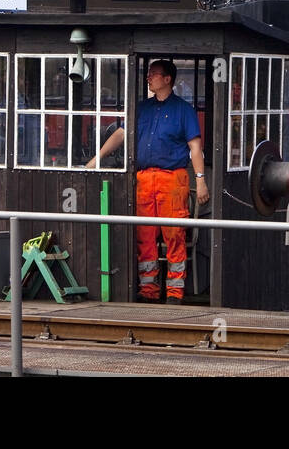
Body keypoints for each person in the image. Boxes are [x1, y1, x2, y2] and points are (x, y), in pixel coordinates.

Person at [88, 59, 208, 302]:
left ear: (167, 80)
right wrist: (97, 159)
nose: (148, 77)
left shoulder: (183, 110)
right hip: (143, 180)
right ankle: (149, 290)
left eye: (153, 74)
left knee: (174, 233)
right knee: (145, 234)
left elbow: (195, 147)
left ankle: (175, 292)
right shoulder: (141, 108)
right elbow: (121, 134)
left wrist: (201, 179)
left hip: (173, 180)